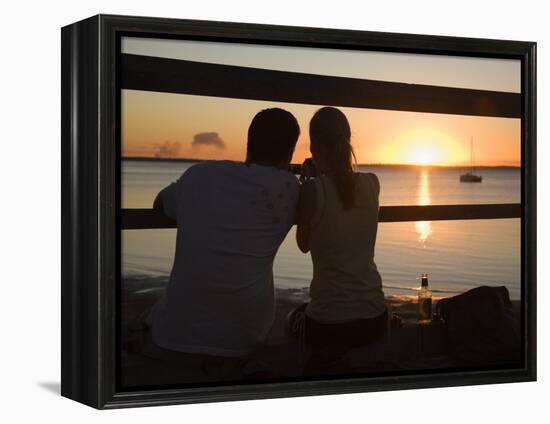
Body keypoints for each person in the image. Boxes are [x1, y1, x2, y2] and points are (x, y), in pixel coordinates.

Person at [149, 108, 300, 375]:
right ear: (290, 153)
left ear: (248, 143)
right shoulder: (290, 189)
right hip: (244, 339)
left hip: (173, 336)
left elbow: (160, 204)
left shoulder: (200, 175)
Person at [291, 106, 387, 375]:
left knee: (293, 318)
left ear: (314, 146)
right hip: (375, 318)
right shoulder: (373, 183)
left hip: (329, 325)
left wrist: (309, 183)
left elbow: (303, 244)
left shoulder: (313, 189)